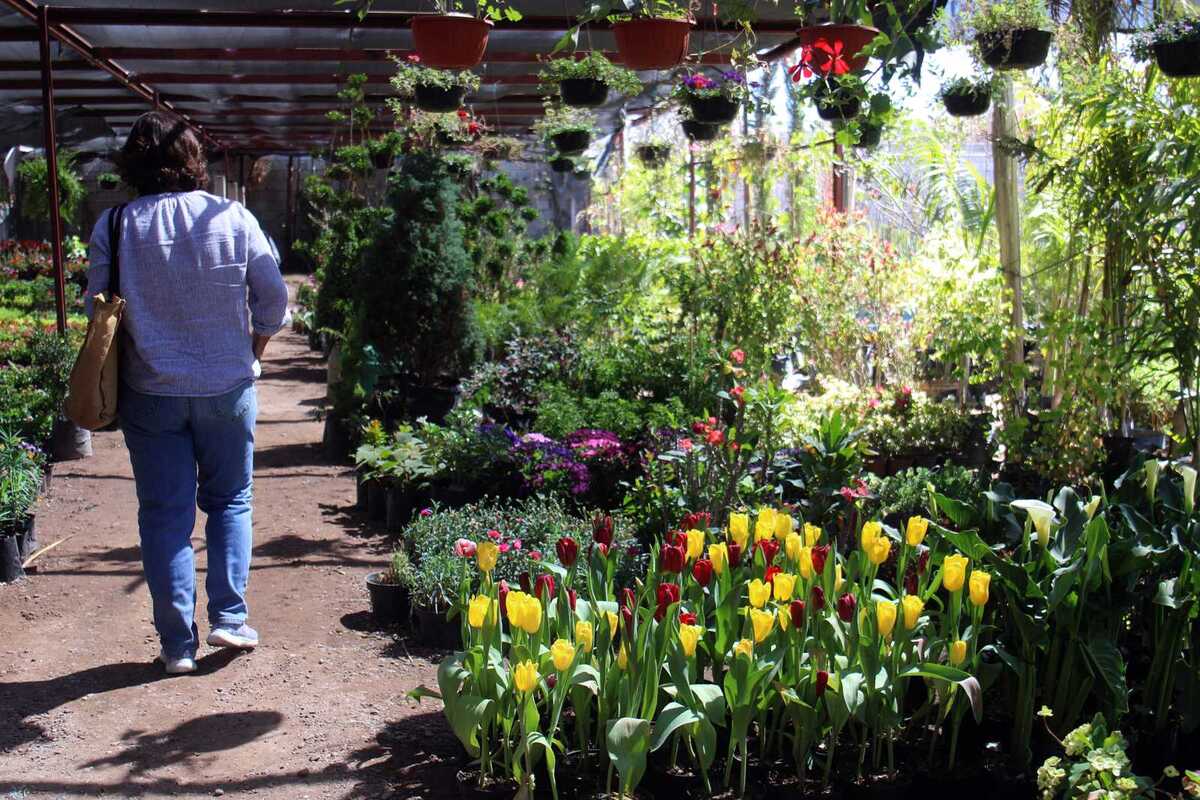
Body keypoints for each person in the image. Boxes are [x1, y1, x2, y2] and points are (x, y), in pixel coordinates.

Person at [85, 112, 289, 675]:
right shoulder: (233, 217)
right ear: (195, 160)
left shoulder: (116, 225)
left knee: (164, 514)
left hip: (148, 391)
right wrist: (253, 351)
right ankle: (229, 617)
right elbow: (273, 301)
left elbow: (96, 310)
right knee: (230, 500)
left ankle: (177, 646)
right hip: (227, 386)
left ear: (132, 162)